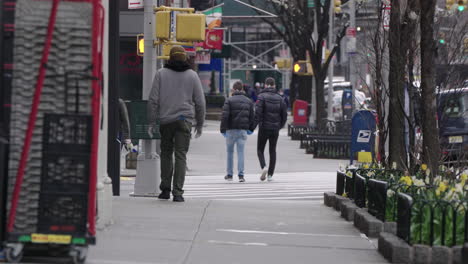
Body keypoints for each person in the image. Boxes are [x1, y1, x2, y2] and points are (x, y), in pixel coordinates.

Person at [147, 46, 206, 202]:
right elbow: (200, 102)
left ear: (170, 58)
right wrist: (199, 124)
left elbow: (153, 100)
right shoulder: (192, 76)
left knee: (166, 153)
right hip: (184, 121)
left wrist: (152, 121)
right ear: (185, 58)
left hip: (166, 121)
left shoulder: (160, 74)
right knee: (181, 155)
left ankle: (165, 189)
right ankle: (178, 192)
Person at [220, 81, 255, 182]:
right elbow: (252, 117)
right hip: (243, 131)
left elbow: (225, 116)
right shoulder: (248, 101)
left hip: (230, 130)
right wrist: (250, 129)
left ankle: (230, 174)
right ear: (242, 90)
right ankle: (241, 175)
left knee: (230, 152)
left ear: (234, 89)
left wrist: (223, 129)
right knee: (241, 153)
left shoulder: (229, 100)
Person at [254, 77, 287, 182]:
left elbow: (257, 113)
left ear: (265, 85)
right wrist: (279, 126)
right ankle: (270, 175)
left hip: (264, 127)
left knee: (260, 150)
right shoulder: (280, 98)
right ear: (274, 86)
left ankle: (264, 167)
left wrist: (253, 126)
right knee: (272, 150)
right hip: (275, 129)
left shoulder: (261, 96)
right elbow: (284, 115)